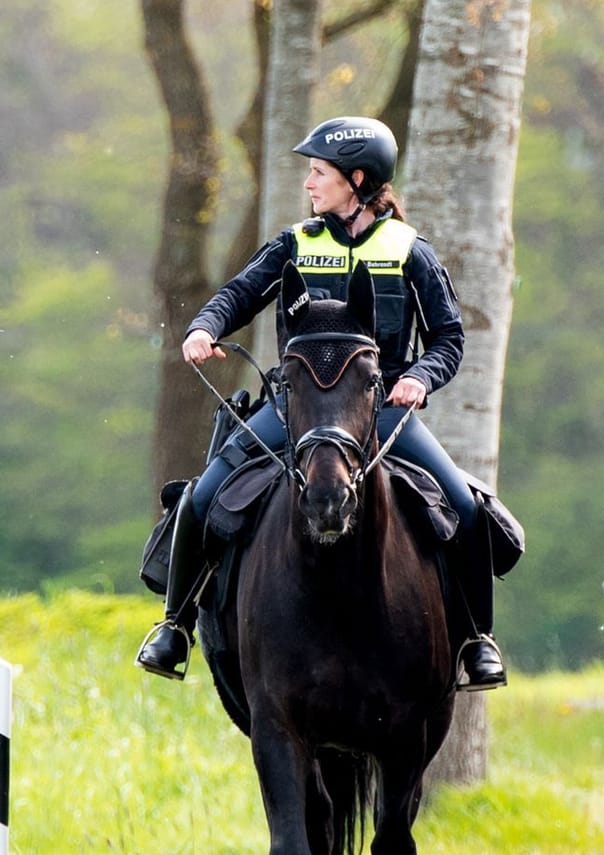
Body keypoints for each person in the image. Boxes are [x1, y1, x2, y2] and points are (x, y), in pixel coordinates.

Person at [136, 116, 509, 690]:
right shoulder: (295, 243)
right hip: (296, 411)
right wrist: (204, 327)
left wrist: (420, 379)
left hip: (381, 414)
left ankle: (478, 641)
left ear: (356, 179)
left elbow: (449, 338)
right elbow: (237, 294)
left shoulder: (410, 251)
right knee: (201, 497)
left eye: (319, 173)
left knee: (465, 508)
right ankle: (175, 627)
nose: (309, 184)